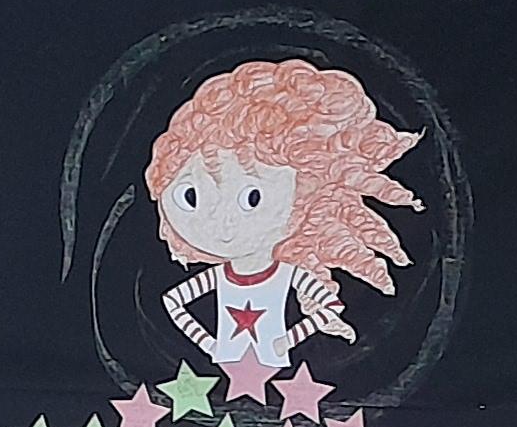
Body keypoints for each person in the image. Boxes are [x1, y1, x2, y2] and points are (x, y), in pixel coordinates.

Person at [145, 58, 417, 390]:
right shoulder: (220, 276)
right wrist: (210, 344)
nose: (221, 222)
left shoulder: (287, 274)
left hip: (276, 371)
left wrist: (287, 340)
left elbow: (329, 305)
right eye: (191, 196)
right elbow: (173, 301)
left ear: (305, 199)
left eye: (252, 198)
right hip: (223, 370)